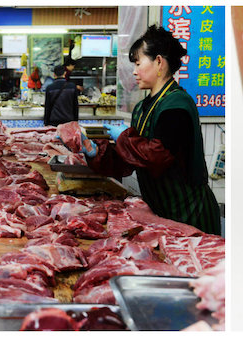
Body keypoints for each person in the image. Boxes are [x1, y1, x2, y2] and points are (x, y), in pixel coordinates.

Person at [83, 25, 221, 235]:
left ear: (158, 61)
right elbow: (130, 158)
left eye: (138, 64)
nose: (135, 71)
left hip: (189, 213)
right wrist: (96, 153)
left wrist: (124, 137)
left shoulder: (177, 104)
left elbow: (157, 156)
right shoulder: (142, 107)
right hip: (159, 211)